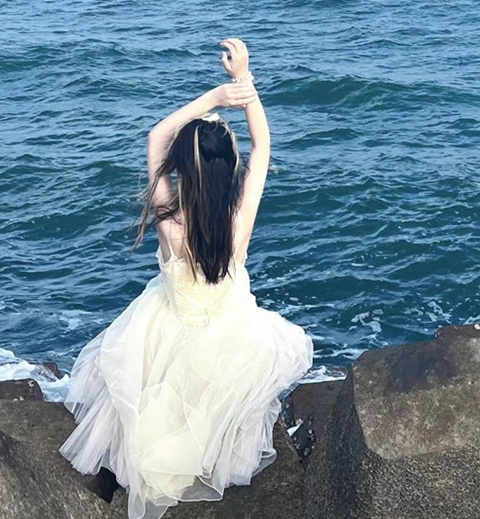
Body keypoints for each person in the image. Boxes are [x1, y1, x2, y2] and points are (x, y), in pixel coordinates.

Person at [59, 38, 314, 519]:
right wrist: (244, 81)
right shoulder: (238, 220)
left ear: (184, 173)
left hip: (168, 326)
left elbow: (157, 137)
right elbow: (264, 145)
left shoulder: (170, 223)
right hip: (230, 335)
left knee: (149, 394)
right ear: (231, 168)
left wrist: (215, 98)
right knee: (221, 404)